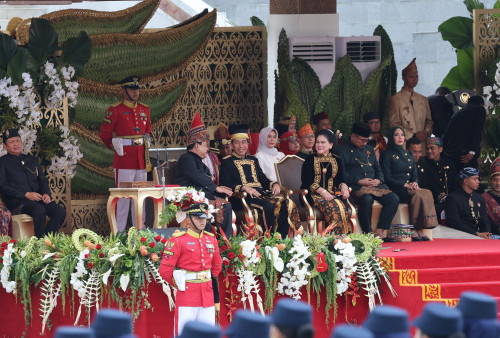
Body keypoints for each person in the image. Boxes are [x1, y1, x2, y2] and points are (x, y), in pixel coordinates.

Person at [220, 125, 300, 238]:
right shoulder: (227, 162)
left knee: (286, 203)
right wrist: (244, 188)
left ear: (248, 144)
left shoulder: (253, 159)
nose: (241, 146)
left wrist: (274, 184)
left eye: (244, 142)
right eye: (237, 143)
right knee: (267, 206)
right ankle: (268, 239)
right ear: (232, 145)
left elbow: (262, 178)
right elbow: (225, 184)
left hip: (260, 195)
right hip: (242, 198)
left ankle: (281, 238)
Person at [159, 203, 222, 336]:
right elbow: (165, 270)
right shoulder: (178, 240)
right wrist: (179, 283)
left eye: (204, 218)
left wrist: (205, 280)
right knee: (184, 334)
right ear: (189, 219)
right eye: (198, 218)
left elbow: (217, 266)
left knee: (208, 334)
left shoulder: (210, 239)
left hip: (207, 296)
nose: (202, 221)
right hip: (187, 294)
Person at [100, 75, 151, 232]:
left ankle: (139, 232)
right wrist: (116, 147)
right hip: (124, 160)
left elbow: (148, 131)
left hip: (141, 160)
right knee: (122, 199)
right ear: (123, 90)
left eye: (137, 89)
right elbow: (105, 134)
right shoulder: (115, 110)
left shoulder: (145, 109)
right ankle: (119, 233)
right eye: (131, 89)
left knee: (140, 198)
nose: (135, 93)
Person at [174, 112, 233, 237]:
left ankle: (226, 242)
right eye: (206, 145)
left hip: (203, 196)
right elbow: (196, 176)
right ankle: (205, 241)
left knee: (226, 205)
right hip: (189, 198)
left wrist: (219, 191)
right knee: (204, 208)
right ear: (196, 145)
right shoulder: (186, 158)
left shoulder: (200, 161)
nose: (208, 149)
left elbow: (206, 178)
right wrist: (216, 188)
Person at [338, 123, 400, 241]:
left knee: (394, 198)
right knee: (367, 199)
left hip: (375, 186)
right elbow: (341, 173)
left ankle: (380, 231)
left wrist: (379, 180)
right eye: (362, 140)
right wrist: (359, 181)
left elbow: (377, 167)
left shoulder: (369, 149)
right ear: (353, 136)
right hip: (356, 186)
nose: (365, 143)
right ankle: (368, 234)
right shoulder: (342, 150)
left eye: (367, 140)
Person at [0, 129, 65, 238]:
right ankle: (40, 245)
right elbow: (3, 187)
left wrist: (46, 194)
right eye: (11, 142)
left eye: (17, 141)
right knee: (39, 210)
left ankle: (46, 240)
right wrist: (25, 194)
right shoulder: (2, 162)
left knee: (59, 211)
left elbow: (42, 180)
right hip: (18, 202)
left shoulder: (31, 159)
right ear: (5, 146)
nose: (16, 144)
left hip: (38, 200)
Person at [380, 127, 438, 241]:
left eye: (402, 134)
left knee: (426, 192)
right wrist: (404, 184)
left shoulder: (408, 154)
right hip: (395, 187)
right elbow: (387, 177)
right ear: (392, 137)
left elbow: (414, 173)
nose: (400, 137)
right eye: (396, 135)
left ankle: (422, 227)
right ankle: (414, 228)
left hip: (409, 187)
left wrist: (415, 183)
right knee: (416, 195)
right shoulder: (387, 154)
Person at [301, 129, 351, 234]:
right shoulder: (310, 159)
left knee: (341, 205)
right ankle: (336, 240)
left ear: (331, 145)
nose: (319, 145)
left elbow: (341, 180)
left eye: (323, 142)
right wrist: (323, 192)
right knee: (333, 207)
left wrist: (344, 187)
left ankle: (343, 240)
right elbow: (306, 181)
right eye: (317, 142)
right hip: (312, 195)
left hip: (332, 195)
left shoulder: (337, 160)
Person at [386, 58, 433, 142]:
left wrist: (425, 132)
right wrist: (413, 135)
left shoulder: (423, 99)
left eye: (416, 76)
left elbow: (429, 121)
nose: (414, 79)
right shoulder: (395, 100)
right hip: (405, 145)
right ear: (403, 78)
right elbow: (394, 125)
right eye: (411, 77)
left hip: (422, 145)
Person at [419, 136, 458, 223]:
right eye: (427, 148)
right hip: (433, 202)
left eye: (432, 148)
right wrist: (440, 197)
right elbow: (423, 185)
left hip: (450, 200)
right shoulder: (422, 162)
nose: (429, 151)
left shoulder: (448, 163)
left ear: (440, 149)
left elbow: (455, 183)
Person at [444, 167, 491, 238]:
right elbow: (454, 222)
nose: (478, 181)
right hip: (462, 237)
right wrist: (475, 234)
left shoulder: (479, 198)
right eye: (475, 179)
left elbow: (485, 220)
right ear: (465, 181)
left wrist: (487, 233)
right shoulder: (452, 198)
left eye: (478, 179)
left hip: (481, 236)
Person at [443, 95, 486, 170]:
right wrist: (472, 151)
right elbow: (477, 131)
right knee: (471, 176)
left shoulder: (459, 113)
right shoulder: (479, 110)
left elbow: (448, 132)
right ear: (480, 104)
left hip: (454, 152)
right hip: (467, 153)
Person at [482, 157, 500, 237]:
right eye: (495, 180)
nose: (498, 183)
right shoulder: (484, 198)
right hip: (493, 235)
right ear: (490, 181)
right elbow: (486, 221)